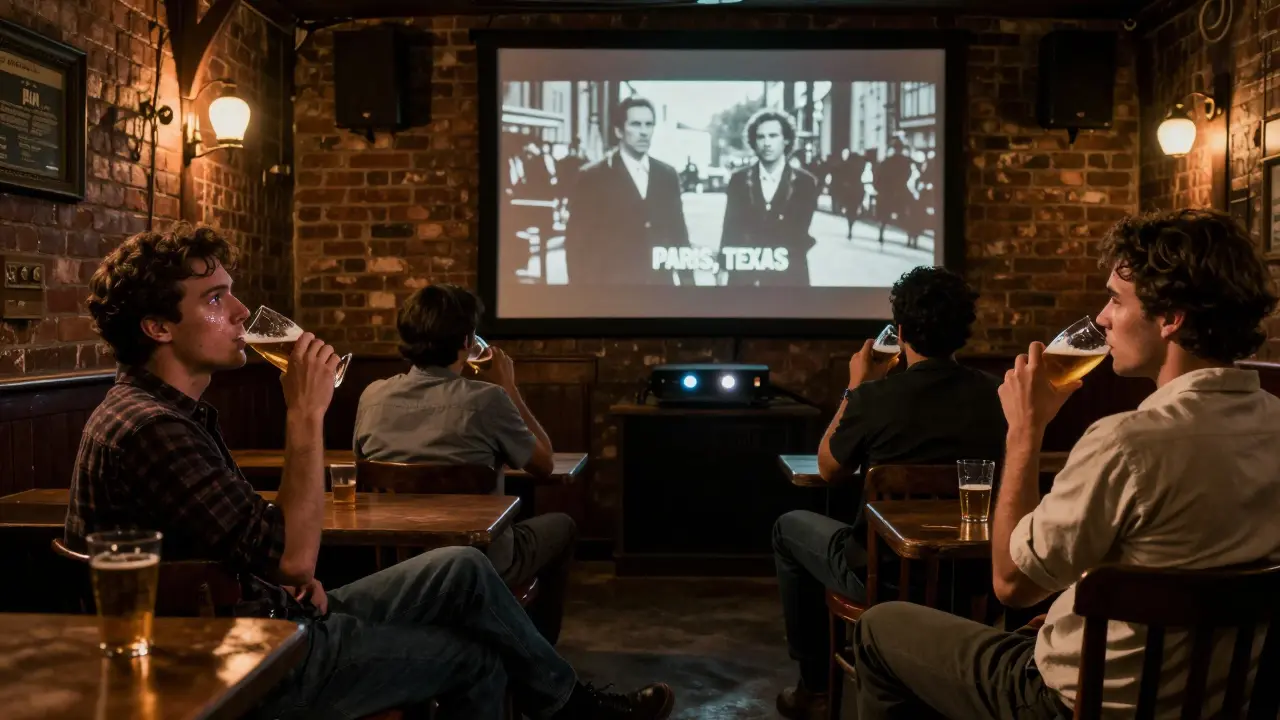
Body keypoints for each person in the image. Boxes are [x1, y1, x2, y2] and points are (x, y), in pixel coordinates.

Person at [65, 224, 676, 720]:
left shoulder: (163, 412)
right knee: (475, 657)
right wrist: (305, 410)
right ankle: (574, 709)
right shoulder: (153, 427)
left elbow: (255, 545)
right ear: (158, 327)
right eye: (217, 299)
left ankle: (566, 702)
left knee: (461, 566)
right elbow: (293, 558)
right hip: (246, 659)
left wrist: (283, 580)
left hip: (264, 615)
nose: (244, 312)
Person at [851, 209, 1280, 720]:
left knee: (880, 627)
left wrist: (1025, 431)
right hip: (1222, 703)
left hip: (1073, 704)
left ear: (1171, 318)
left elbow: (1012, 584)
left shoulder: (1125, 443)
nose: (1101, 317)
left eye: (1116, 300)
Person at [773, 266, 1006, 720]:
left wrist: (856, 385)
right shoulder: (997, 395)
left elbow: (827, 467)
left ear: (900, 332)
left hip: (886, 576)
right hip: (976, 576)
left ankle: (815, 689)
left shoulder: (874, 397)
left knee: (788, 529)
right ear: (962, 331)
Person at [354, 283, 576, 644]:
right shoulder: (488, 400)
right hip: (482, 562)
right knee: (562, 527)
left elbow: (361, 465)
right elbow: (545, 465)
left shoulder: (373, 396)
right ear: (467, 340)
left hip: (399, 563)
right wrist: (509, 387)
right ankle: (536, 649)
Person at [565, 96, 690, 286]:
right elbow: (577, 244)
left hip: (659, 289)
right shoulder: (593, 177)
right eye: (636, 125)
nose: (644, 132)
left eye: (649, 125)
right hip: (612, 291)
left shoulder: (667, 175)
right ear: (619, 131)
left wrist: (689, 287)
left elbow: (679, 236)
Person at [720, 109, 820, 287]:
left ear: (786, 140)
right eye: (761, 137)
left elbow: (797, 233)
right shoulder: (739, 180)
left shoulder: (805, 183)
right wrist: (723, 267)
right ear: (753, 141)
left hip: (789, 278)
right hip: (744, 279)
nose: (767, 143)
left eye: (773, 136)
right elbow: (729, 229)